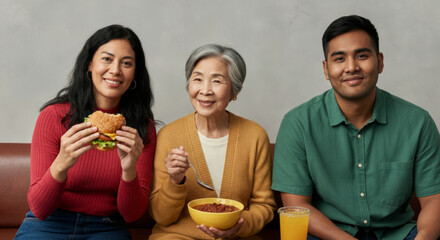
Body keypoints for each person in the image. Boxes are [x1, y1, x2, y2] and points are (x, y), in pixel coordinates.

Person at [272, 15, 440, 240]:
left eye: (362, 55)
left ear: (379, 62)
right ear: (326, 68)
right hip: (327, 234)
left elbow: (434, 201)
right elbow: (298, 207)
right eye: (339, 58)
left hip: (398, 234)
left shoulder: (418, 122)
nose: (351, 67)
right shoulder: (298, 124)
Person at [14, 24, 157, 239]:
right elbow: (40, 208)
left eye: (126, 63)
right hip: (50, 223)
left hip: (107, 226)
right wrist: (63, 162)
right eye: (107, 59)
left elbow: (131, 215)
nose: (116, 70)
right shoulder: (53, 116)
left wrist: (129, 171)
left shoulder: (141, 127)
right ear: (89, 64)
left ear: (135, 73)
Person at [148, 44, 276, 239]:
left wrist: (239, 226)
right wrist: (175, 181)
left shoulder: (255, 136)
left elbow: (264, 206)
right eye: (197, 79)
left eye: (217, 81)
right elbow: (161, 216)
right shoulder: (168, 135)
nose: (205, 90)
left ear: (235, 90)